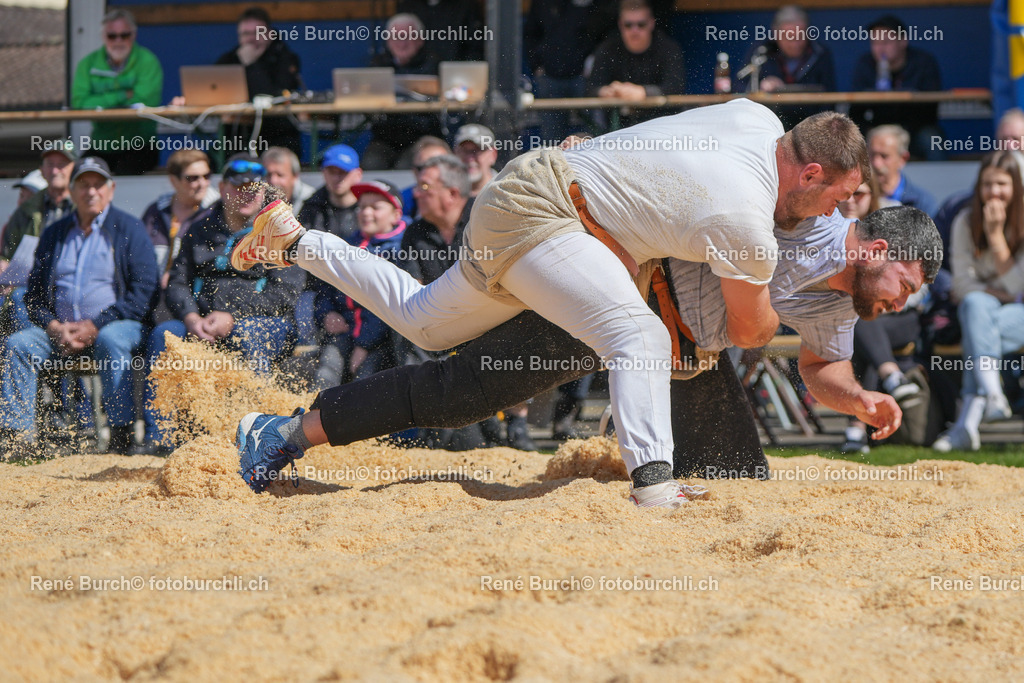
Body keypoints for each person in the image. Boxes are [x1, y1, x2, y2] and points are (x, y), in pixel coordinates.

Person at [231, 99, 868, 507]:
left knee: (424, 320)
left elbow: (661, 150)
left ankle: (297, 241)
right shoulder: (746, 220)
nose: (832, 212)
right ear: (811, 173)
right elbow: (750, 331)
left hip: (530, 199)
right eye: (836, 198)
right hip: (551, 213)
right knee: (640, 337)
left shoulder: (756, 116)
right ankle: (654, 488)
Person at [229, 205, 939, 495]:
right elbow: (691, 180)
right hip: (602, 280)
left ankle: (652, 479)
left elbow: (821, 365)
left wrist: (858, 398)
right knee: (451, 381)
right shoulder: (798, 213)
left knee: (735, 483)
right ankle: (282, 431)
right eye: (904, 285)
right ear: (876, 248)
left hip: (681, 347)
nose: (902, 303)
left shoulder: (844, 300)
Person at [141, 155, 305, 454]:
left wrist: (232, 316)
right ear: (223, 188)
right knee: (164, 335)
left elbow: (286, 294)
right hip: (202, 321)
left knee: (248, 334)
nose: (247, 194)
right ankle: (159, 437)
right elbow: (177, 282)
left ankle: (255, 438)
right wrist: (191, 317)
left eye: (254, 189)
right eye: (239, 187)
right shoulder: (200, 228)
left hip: (266, 323)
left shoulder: (281, 231)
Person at [0, 157, 158, 457]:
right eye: (83, 185)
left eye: (98, 185)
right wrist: (53, 326)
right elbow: (34, 294)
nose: (91, 192)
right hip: (59, 331)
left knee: (111, 340)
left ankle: (121, 436)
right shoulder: (55, 233)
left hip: (115, 326)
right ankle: (17, 440)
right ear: (72, 191)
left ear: (111, 189)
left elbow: (144, 291)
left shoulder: (129, 228)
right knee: (18, 345)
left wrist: (96, 325)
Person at [934, 151, 1024, 451]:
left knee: (977, 323)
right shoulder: (965, 220)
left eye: (1002, 184)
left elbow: (1018, 287)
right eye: (987, 184)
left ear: (1016, 186)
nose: (993, 192)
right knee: (974, 306)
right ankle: (992, 395)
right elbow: (961, 285)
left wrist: (996, 237)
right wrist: (1002, 294)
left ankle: (970, 419)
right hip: (981, 310)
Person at [837, 175, 923, 453]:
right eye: (845, 194)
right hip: (855, 323)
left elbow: (918, 281)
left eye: (859, 194)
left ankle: (856, 428)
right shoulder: (827, 229)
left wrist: (887, 299)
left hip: (901, 317)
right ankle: (892, 377)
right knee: (861, 325)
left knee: (862, 321)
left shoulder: (896, 223)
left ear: (872, 195)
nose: (850, 201)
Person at [311, 180, 406, 389]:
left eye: (375, 207)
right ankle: (313, 409)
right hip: (346, 330)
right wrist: (326, 314)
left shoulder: (402, 248)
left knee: (364, 381)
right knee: (326, 370)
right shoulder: (348, 243)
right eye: (362, 207)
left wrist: (364, 344)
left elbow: (388, 304)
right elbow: (325, 286)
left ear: (396, 215)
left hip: (380, 340)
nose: (366, 213)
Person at [70, 9, 162, 174]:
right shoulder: (87, 64)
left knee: (125, 175)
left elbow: (147, 101)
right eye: (112, 36)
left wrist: (101, 102)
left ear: (133, 35)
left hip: (140, 144)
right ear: (103, 37)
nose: (118, 41)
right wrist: (123, 95)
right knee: (80, 175)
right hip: (102, 145)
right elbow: (80, 104)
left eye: (124, 35)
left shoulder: (148, 61)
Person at [0, 143, 78, 339]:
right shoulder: (25, 210)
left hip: (75, 286)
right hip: (32, 287)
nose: (55, 170)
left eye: (62, 164)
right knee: (19, 297)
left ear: (74, 169)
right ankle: (29, 348)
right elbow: (7, 254)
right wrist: (4, 264)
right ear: (42, 170)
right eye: (50, 164)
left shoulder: (85, 207)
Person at [850, 14, 943, 160]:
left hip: (913, 130)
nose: (880, 48)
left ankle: (940, 175)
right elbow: (856, 110)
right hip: (877, 129)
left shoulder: (923, 62)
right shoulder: (865, 64)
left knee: (932, 138)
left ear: (903, 41)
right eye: (875, 42)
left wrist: (902, 131)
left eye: (886, 42)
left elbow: (930, 110)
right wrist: (871, 129)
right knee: (853, 137)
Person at [216, 7, 303, 155]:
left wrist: (251, 65)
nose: (251, 38)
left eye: (257, 33)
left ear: (270, 34)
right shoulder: (230, 59)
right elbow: (212, 87)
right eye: (246, 33)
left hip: (278, 134)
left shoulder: (285, 58)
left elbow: (273, 95)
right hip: (238, 136)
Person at [364, 13, 445, 170]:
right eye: (396, 37)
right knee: (371, 163)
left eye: (407, 37)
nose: (402, 43)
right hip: (386, 137)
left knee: (406, 167)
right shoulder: (378, 64)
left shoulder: (433, 64)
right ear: (388, 41)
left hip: (421, 136)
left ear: (420, 40)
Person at [587, 0, 685, 127]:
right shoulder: (607, 49)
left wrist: (643, 92)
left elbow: (676, 87)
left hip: (661, 124)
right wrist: (606, 91)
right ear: (620, 24)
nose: (634, 30)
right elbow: (590, 88)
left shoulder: (669, 48)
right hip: (618, 127)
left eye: (641, 24)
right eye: (628, 25)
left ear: (651, 23)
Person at [524, 0, 611, 143]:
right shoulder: (542, 3)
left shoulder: (594, 5)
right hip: (550, 77)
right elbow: (531, 33)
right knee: (552, 141)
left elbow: (605, 31)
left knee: (593, 135)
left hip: (584, 78)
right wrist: (537, 65)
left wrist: (593, 64)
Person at [738, 5, 835, 129]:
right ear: (775, 33)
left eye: (800, 37)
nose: (795, 44)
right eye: (789, 38)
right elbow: (738, 87)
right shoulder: (761, 51)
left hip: (811, 126)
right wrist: (761, 85)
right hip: (767, 125)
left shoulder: (820, 53)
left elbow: (830, 99)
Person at [141, 150, 219, 294]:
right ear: (173, 180)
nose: (202, 183)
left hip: (198, 295)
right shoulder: (155, 211)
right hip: (154, 295)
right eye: (193, 178)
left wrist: (176, 276)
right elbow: (139, 256)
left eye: (207, 176)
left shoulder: (218, 212)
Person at [868, 125, 939, 217]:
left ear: (903, 158)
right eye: (872, 155)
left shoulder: (922, 203)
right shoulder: (856, 198)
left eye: (884, 156)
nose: (876, 163)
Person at [296, 144, 362, 241]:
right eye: (332, 172)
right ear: (323, 173)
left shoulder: (370, 208)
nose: (336, 178)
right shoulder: (311, 207)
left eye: (343, 172)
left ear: (358, 175)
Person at [396, 0, 485, 62]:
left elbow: (475, 49)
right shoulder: (407, 6)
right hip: (416, 74)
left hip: (453, 73)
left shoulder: (466, 6)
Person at [400, 136, 451, 220]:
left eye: (437, 167)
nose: (428, 174)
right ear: (414, 171)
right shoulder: (401, 201)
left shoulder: (467, 203)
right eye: (422, 168)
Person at [261, 147, 314, 215]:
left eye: (280, 175)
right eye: (268, 175)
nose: (273, 181)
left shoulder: (311, 200)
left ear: (295, 176)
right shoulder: (257, 199)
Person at [453, 124, 499, 197]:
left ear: (493, 155)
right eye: (464, 151)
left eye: (476, 151)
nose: (470, 158)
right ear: (455, 154)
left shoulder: (506, 192)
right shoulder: (447, 195)